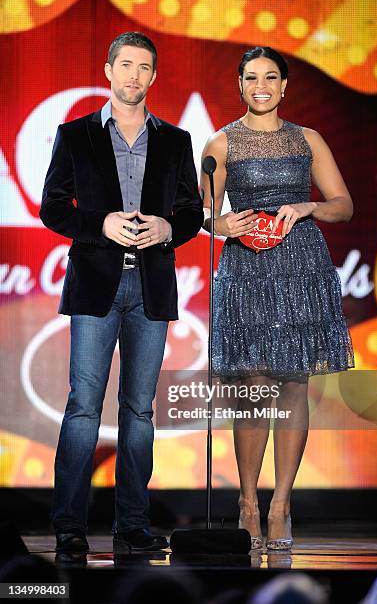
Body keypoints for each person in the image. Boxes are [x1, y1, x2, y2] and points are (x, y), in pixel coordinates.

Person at [40, 32, 203, 553]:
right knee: (84, 405)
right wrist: (101, 223)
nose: (133, 75)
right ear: (108, 70)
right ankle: (69, 528)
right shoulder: (76, 135)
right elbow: (53, 208)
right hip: (95, 286)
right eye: (125, 65)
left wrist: (167, 228)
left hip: (150, 287)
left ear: (154, 77)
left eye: (144, 67)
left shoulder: (176, 140)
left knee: (139, 410)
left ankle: (131, 527)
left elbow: (193, 214)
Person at [201, 46, 354, 551]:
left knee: (293, 382)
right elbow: (200, 215)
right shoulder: (221, 144)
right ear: (239, 85)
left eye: (270, 77)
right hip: (246, 267)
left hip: (300, 266)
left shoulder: (308, 139)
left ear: (285, 86)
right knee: (252, 383)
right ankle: (247, 502)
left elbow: (343, 205)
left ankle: (282, 503)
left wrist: (309, 204)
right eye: (251, 78)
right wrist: (219, 224)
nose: (260, 85)